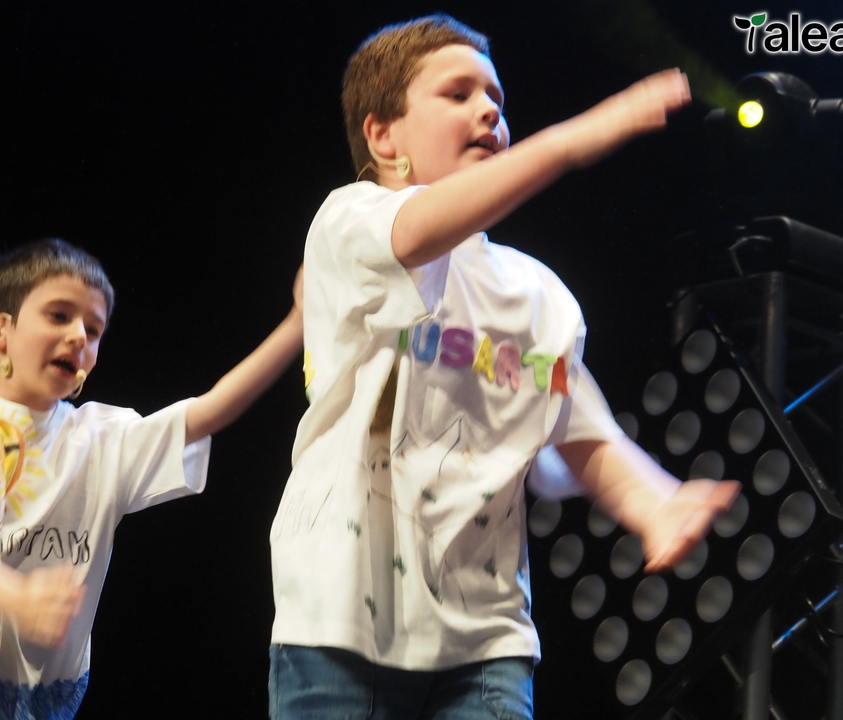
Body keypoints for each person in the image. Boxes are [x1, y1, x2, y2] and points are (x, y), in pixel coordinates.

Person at [267, 15, 739, 720]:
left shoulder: (535, 293)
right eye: (457, 94)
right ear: (383, 137)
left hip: (487, 640)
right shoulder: (349, 223)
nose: (489, 110)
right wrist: (571, 141)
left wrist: (654, 504)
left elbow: (576, 428)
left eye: (496, 98)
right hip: (341, 628)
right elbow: (418, 229)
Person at [0, 238, 302, 720]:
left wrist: (297, 323)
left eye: (93, 329)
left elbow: (206, 413)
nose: (78, 337)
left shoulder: (101, 438)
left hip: (33, 700)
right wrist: (12, 595)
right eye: (59, 315)